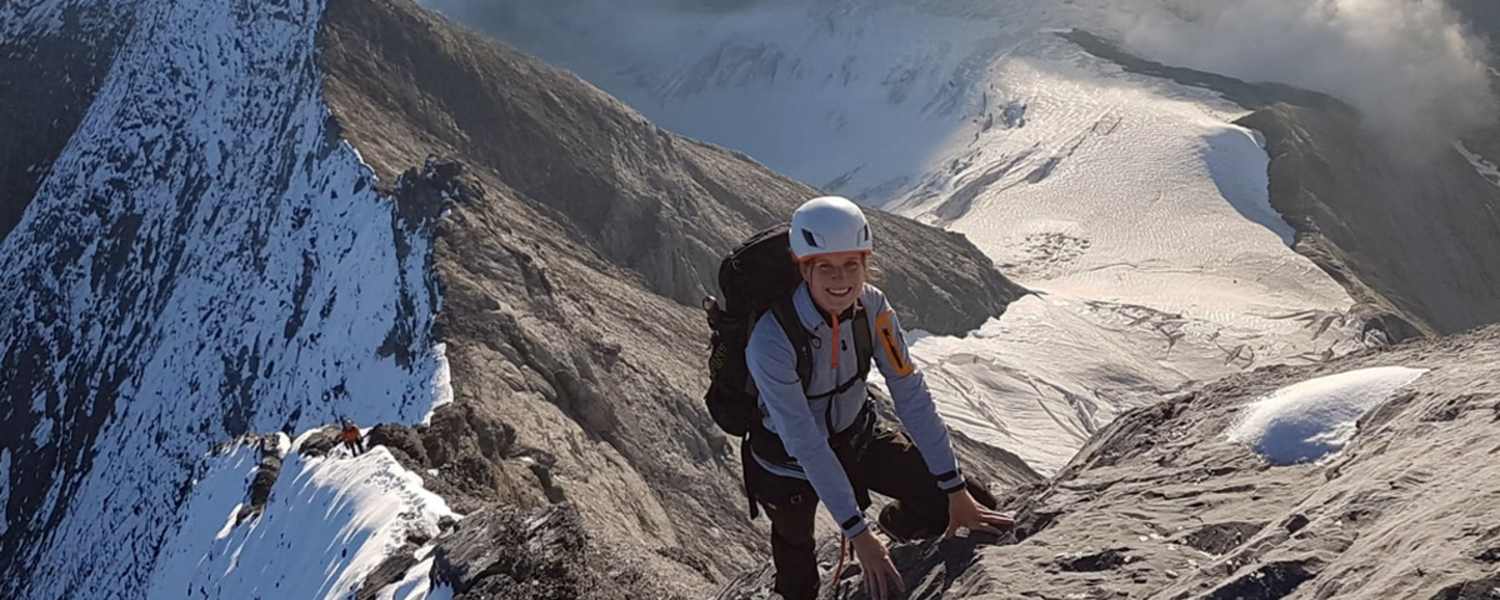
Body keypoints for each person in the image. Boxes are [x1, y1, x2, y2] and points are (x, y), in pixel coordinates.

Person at [744, 196, 1013, 600]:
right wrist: (858, 534)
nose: (841, 279)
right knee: (797, 568)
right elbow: (805, 441)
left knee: (975, 504)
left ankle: (899, 525)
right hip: (785, 460)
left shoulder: (873, 308)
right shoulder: (770, 339)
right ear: (804, 269)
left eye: (851, 264)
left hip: (858, 435)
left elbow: (910, 394)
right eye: (826, 267)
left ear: (865, 264)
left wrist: (955, 490)